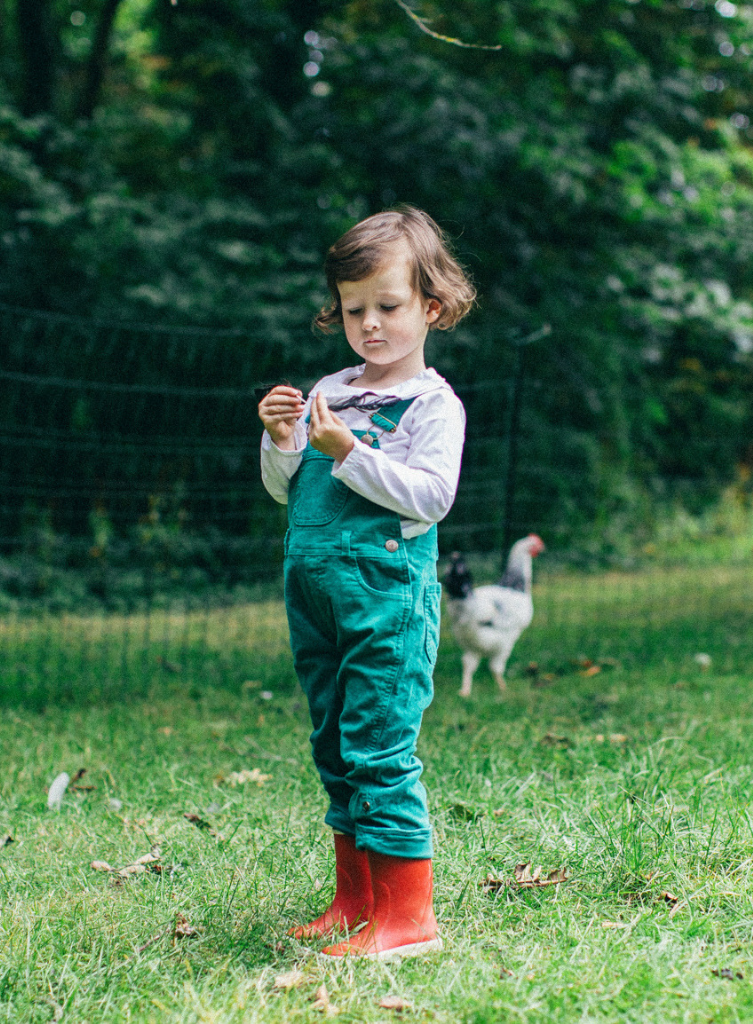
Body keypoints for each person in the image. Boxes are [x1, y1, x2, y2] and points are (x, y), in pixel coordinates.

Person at [257, 205, 476, 959]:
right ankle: (355, 899)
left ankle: (407, 915)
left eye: (388, 306)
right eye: (355, 310)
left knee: (380, 744)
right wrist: (282, 440)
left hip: (387, 599)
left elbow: (431, 497)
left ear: (431, 308)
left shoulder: (433, 405)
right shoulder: (332, 388)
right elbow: (287, 490)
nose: (370, 325)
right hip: (316, 593)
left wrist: (349, 450)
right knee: (335, 741)